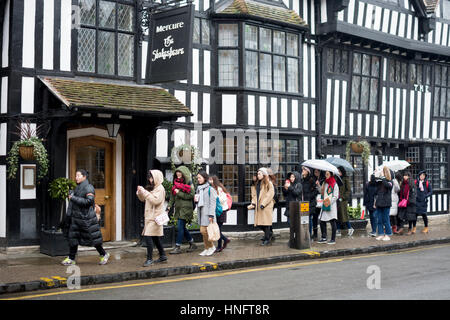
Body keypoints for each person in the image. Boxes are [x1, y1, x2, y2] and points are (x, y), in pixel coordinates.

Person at [61, 169, 110, 266]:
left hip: (86, 219)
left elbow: (88, 201)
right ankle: (71, 258)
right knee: (73, 238)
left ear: (84, 177)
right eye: (76, 176)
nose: (76, 178)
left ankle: (104, 254)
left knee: (93, 238)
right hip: (75, 218)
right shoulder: (77, 187)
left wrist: (73, 198)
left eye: (78, 176)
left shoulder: (89, 187)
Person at [136, 170, 167, 267]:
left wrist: (144, 192)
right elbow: (143, 199)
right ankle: (162, 255)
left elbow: (155, 201)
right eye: (149, 178)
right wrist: (140, 192)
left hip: (155, 217)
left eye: (151, 178)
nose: (150, 180)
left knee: (148, 236)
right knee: (155, 237)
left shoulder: (160, 189)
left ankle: (149, 259)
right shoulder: (153, 187)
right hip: (150, 216)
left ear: (156, 178)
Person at [167, 166, 197, 254]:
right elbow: (172, 196)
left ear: (184, 173)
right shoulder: (175, 183)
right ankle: (192, 243)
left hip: (186, 208)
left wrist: (179, 193)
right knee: (182, 227)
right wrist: (169, 206)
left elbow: (191, 195)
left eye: (180, 172)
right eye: (177, 172)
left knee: (180, 227)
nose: (178, 174)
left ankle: (178, 246)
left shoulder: (189, 183)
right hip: (179, 208)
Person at [195, 171, 217, 256]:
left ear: (204, 178)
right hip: (201, 213)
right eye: (197, 178)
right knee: (203, 232)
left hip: (208, 214)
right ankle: (207, 248)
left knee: (206, 231)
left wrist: (211, 215)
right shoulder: (199, 188)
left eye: (199, 177)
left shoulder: (210, 189)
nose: (198, 179)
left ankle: (211, 247)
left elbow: (213, 203)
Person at [209, 175, 231, 252]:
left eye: (211, 180)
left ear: (214, 180)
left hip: (221, 211)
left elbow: (223, 199)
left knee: (218, 230)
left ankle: (221, 244)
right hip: (216, 211)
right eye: (209, 180)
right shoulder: (212, 189)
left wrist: (215, 198)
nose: (210, 181)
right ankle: (223, 242)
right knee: (218, 230)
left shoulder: (219, 189)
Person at [254, 168, 275, 246]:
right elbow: (256, 194)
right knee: (259, 224)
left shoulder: (268, 183)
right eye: (258, 174)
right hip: (259, 206)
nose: (258, 175)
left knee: (266, 224)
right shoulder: (258, 183)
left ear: (264, 174)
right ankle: (269, 234)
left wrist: (263, 203)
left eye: (259, 174)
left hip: (266, 206)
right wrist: (253, 203)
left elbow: (270, 193)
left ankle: (267, 239)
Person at [318, 171, 339, 245]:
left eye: (327, 174)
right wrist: (319, 186)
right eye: (325, 174)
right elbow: (322, 192)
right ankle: (324, 237)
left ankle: (333, 239)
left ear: (331, 175)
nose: (326, 176)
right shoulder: (325, 183)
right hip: (324, 204)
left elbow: (336, 196)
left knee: (332, 221)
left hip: (331, 205)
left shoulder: (335, 184)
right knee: (321, 220)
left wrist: (329, 202)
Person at [374, 166, 393, 241]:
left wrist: (382, 177)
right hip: (379, 203)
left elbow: (387, 185)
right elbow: (373, 183)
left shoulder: (390, 182)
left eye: (383, 172)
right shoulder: (380, 181)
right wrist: (375, 174)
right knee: (379, 220)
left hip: (386, 203)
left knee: (386, 219)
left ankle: (388, 234)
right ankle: (381, 234)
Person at [396, 171, 417, 236]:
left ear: (409, 176)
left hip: (409, 203)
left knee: (410, 217)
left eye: (406, 175)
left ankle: (410, 229)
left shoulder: (411, 184)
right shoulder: (403, 183)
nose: (404, 177)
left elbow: (414, 194)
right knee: (400, 216)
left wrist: (409, 201)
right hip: (403, 202)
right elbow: (400, 193)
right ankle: (401, 228)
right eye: (404, 175)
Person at [300, 167, 318, 240]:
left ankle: (309, 235)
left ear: (307, 171)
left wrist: (309, 196)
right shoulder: (302, 180)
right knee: (304, 219)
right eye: (302, 170)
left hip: (310, 203)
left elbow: (315, 191)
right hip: (303, 203)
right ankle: (305, 234)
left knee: (309, 218)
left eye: (304, 170)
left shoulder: (311, 180)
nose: (302, 171)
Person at [336, 167, 354, 237]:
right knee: (337, 215)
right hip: (336, 199)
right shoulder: (336, 179)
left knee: (344, 215)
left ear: (342, 172)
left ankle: (350, 228)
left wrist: (343, 197)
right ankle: (338, 229)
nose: (338, 173)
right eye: (337, 171)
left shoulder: (346, 179)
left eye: (339, 171)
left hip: (343, 201)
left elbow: (348, 190)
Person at [312, 169, 324, 240]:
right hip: (315, 201)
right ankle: (315, 233)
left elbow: (322, 191)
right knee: (314, 218)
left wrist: (319, 185)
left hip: (321, 201)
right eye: (314, 172)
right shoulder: (313, 179)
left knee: (322, 218)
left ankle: (323, 233)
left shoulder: (323, 180)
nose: (315, 173)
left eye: (317, 172)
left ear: (320, 172)